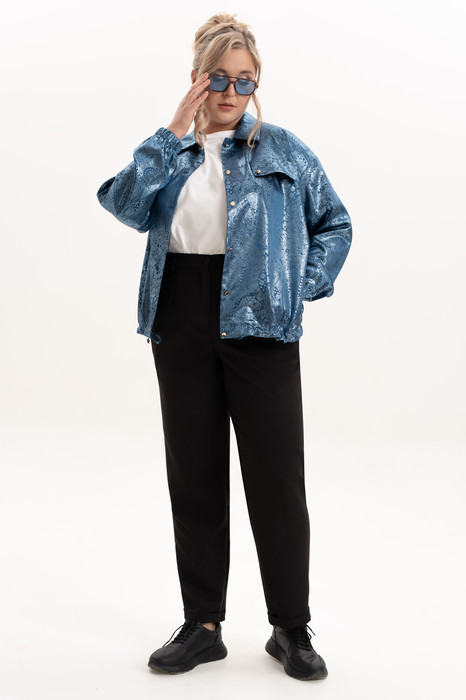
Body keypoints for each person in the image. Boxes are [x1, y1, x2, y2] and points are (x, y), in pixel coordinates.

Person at [96, 12, 352, 681]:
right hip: (180, 317)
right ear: (196, 80)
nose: (231, 91)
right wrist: (171, 130)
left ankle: (290, 627)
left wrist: (298, 286)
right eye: (218, 78)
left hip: (262, 323)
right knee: (195, 475)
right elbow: (123, 204)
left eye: (244, 80)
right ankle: (203, 624)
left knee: (276, 479)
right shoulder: (171, 154)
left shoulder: (283, 149)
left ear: (255, 84)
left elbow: (335, 222)